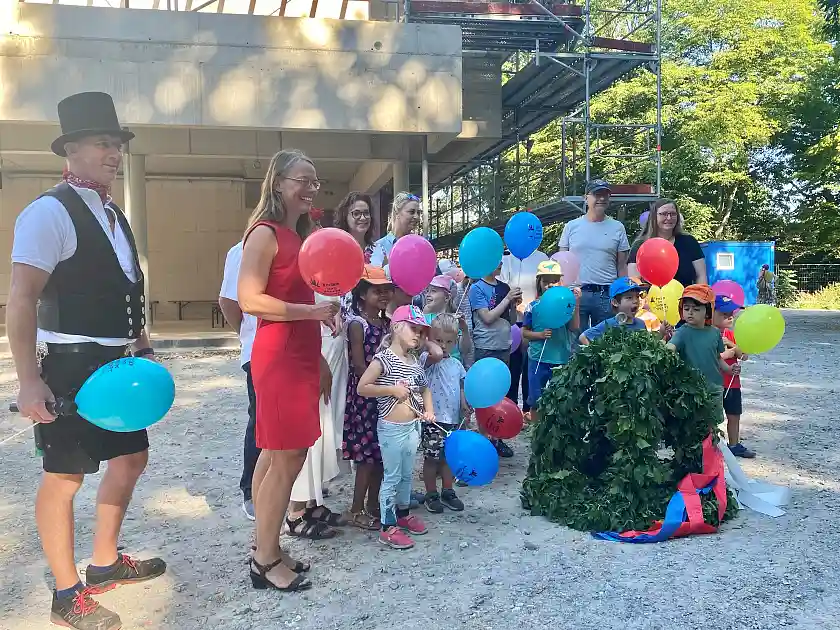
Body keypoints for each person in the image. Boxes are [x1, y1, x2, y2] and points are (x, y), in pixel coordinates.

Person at [7, 91, 165, 630]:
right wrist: (29, 381)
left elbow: (123, 288)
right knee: (65, 475)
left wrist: (139, 339)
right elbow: (22, 298)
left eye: (117, 144)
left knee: (130, 458)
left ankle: (103, 562)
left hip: (118, 365)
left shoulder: (113, 213)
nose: (114, 153)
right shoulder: (47, 212)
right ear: (70, 149)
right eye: (103, 143)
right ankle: (65, 591)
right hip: (70, 363)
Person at [238, 149, 338, 593]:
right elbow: (250, 300)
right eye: (302, 180)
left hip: (298, 355)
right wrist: (311, 312)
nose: (310, 189)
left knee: (273, 456)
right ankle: (264, 560)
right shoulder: (264, 234)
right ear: (278, 182)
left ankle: (268, 546)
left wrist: (317, 358)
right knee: (288, 457)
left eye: (315, 182)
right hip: (277, 356)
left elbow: (303, 307)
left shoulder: (300, 236)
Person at [357, 305, 438, 550]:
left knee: (406, 475)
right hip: (391, 429)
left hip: (412, 426)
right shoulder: (383, 360)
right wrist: (391, 389)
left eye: (421, 332)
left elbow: (424, 388)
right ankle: (387, 526)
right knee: (391, 477)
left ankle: (402, 513)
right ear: (396, 327)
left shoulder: (414, 361)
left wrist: (429, 410)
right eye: (413, 329)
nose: (418, 335)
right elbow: (363, 387)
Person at [343, 265, 393, 530]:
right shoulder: (357, 324)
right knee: (365, 457)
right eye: (377, 290)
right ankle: (355, 508)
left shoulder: (387, 323)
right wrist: (380, 382)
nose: (384, 295)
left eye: (387, 290)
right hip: (365, 398)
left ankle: (374, 503)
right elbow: (359, 365)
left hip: (383, 396)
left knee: (381, 453)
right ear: (362, 294)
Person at [219, 241, 259, 520]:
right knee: (261, 419)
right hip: (259, 350)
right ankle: (251, 490)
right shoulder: (243, 250)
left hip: (294, 349)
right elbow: (228, 302)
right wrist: (246, 333)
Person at [557, 179, 630, 329]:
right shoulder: (571, 226)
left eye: (605, 195)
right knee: (575, 342)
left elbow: (622, 266)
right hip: (576, 294)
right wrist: (562, 293)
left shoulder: (618, 227)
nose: (602, 199)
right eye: (597, 194)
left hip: (606, 293)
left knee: (605, 343)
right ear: (586, 197)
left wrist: (624, 295)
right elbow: (560, 264)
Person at [469, 261, 522, 458]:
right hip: (486, 346)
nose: (500, 263)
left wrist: (514, 304)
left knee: (500, 395)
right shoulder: (477, 288)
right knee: (484, 396)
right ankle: (484, 439)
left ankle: (496, 438)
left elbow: (513, 320)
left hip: (504, 346)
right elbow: (488, 317)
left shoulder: (504, 287)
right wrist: (507, 298)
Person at [666, 285, 740, 424]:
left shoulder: (714, 332)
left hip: (714, 387)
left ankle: (712, 445)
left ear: (707, 311)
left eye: (696, 309)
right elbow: (670, 347)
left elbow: (717, 358)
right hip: (690, 389)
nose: (690, 312)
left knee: (713, 424)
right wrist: (664, 349)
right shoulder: (682, 332)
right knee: (693, 424)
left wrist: (729, 370)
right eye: (686, 309)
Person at [419, 314, 468, 513]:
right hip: (433, 419)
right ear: (430, 339)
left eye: (449, 341)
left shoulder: (456, 364)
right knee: (431, 459)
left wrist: (465, 404)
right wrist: (431, 346)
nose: (444, 346)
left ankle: (448, 490)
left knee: (449, 457)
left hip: (453, 419)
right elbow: (435, 355)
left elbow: (461, 386)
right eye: (439, 340)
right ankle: (431, 494)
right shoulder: (427, 360)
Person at [522, 261, 581, 422]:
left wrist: (576, 304)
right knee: (536, 398)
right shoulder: (532, 306)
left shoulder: (566, 304)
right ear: (539, 283)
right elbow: (524, 332)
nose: (550, 285)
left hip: (561, 358)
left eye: (554, 281)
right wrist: (540, 335)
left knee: (560, 398)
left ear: (561, 282)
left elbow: (574, 327)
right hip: (538, 358)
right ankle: (536, 431)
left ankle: (555, 431)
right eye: (545, 281)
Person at [628, 198, 707, 287]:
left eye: (673, 214)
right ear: (654, 216)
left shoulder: (689, 242)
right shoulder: (640, 245)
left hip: (685, 299)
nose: (669, 218)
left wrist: (700, 298)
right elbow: (634, 280)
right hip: (651, 299)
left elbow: (701, 276)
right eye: (664, 214)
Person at [713, 295, 755, 458]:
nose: (730, 317)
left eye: (731, 313)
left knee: (734, 414)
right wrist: (727, 354)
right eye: (724, 314)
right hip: (714, 383)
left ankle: (734, 444)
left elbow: (744, 355)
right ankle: (712, 445)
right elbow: (709, 357)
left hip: (733, 383)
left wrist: (731, 345)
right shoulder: (707, 334)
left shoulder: (731, 334)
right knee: (713, 417)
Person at [579, 277, 650, 345]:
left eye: (637, 296)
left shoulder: (641, 324)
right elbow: (583, 337)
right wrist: (597, 355)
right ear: (615, 302)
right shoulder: (608, 324)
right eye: (629, 298)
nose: (635, 301)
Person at [423, 274, 473, 363]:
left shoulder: (455, 319)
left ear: (447, 297)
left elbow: (465, 350)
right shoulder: (425, 318)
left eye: (433, 291)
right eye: (427, 291)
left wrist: (465, 330)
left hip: (452, 369)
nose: (428, 295)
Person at [370, 192, 422, 270]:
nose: (416, 217)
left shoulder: (420, 245)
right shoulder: (378, 247)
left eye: (418, 213)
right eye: (411, 212)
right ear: (397, 213)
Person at [334, 191, 376, 264]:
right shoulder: (336, 251)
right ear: (345, 217)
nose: (363, 218)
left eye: (366, 213)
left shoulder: (379, 250)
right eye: (356, 213)